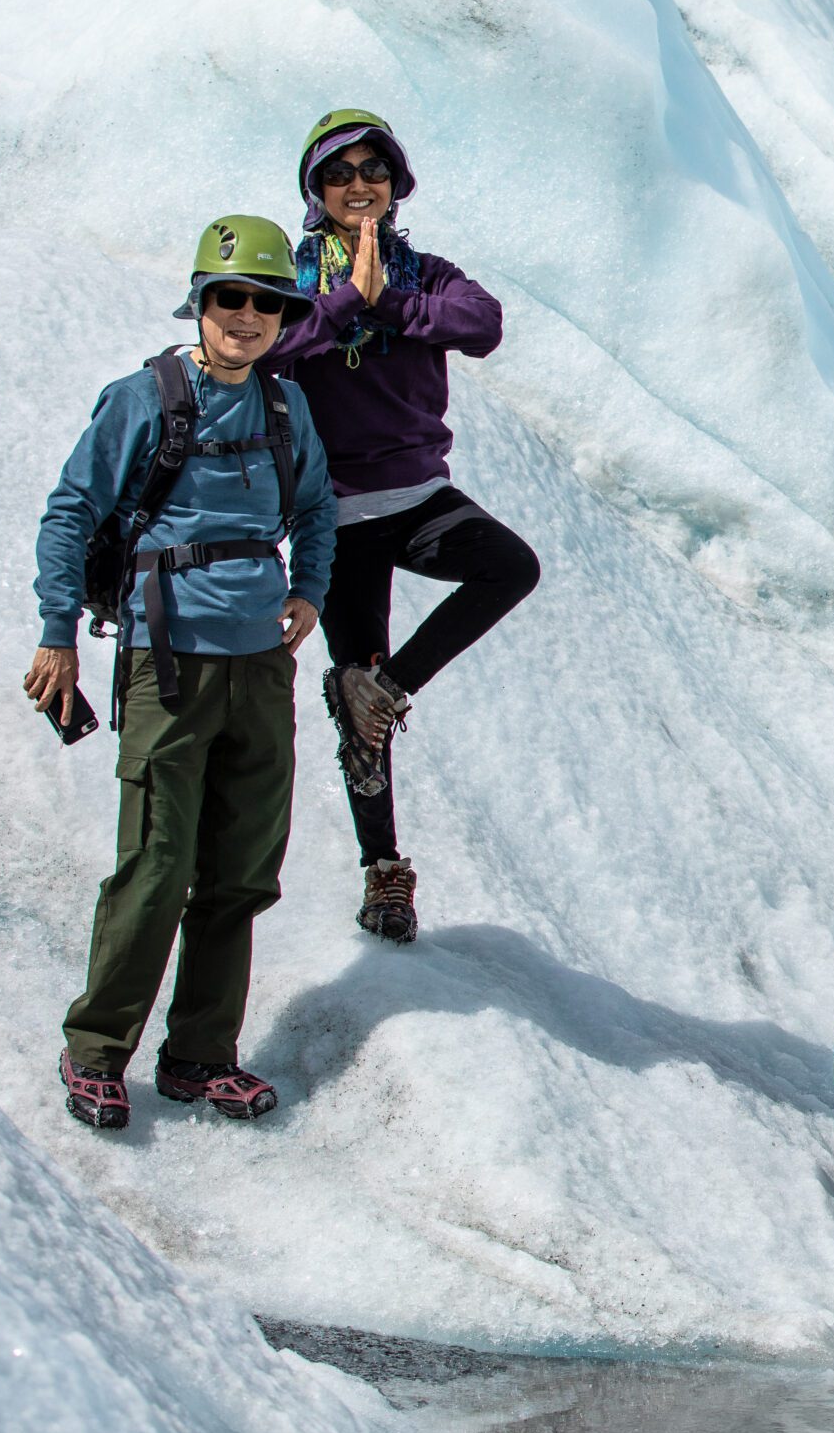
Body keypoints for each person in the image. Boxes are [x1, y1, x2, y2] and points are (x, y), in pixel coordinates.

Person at [28, 214, 337, 1130]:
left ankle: (201, 1056)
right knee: (157, 865)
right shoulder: (143, 397)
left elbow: (317, 505)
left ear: (284, 315)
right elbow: (70, 511)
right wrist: (56, 635)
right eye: (229, 297)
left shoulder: (286, 407)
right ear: (200, 301)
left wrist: (310, 588)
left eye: (266, 302)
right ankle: (95, 1050)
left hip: (260, 669)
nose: (246, 316)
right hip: (165, 664)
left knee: (242, 871)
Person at [261, 108, 539, 945]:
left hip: (416, 498)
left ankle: (385, 687)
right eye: (341, 172)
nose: (359, 184)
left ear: (397, 183)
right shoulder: (296, 279)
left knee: (508, 568)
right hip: (335, 517)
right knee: (357, 711)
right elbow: (268, 348)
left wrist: (394, 306)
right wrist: (348, 302)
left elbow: (482, 324)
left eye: (374, 170)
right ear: (317, 190)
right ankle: (384, 873)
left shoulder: (426, 273)